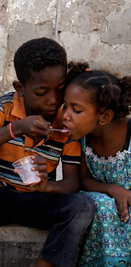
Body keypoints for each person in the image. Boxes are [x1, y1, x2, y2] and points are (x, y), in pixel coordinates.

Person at [0, 37, 96, 267]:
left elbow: (71, 182)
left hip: (39, 200)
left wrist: (47, 186)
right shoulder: (5, 107)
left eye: (59, 90)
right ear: (20, 88)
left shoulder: (66, 121)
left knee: (83, 206)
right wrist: (15, 128)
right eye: (41, 92)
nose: (52, 100)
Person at [62, 62, 131, 267]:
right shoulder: (80, 137)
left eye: (76, 110)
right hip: (105, 200)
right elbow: (83, 180)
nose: (65, 116)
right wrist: (113, 189)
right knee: (97, 204)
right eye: (65, 106)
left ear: (104, 116)